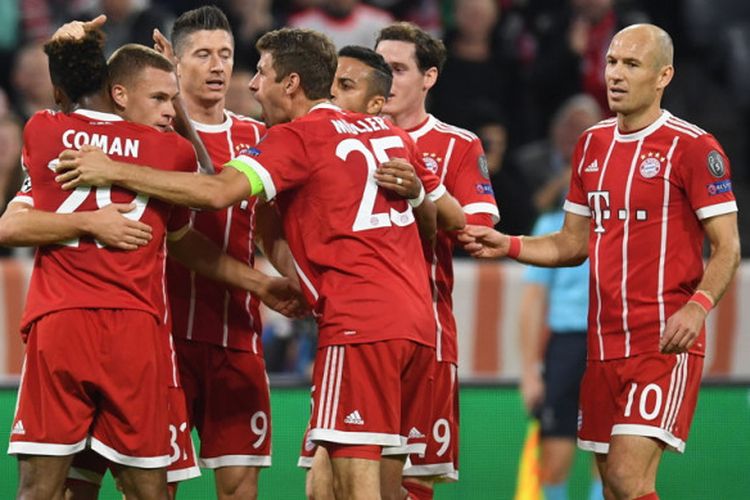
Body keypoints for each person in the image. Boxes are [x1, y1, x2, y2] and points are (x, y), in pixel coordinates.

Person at [55, 27, 440, 500]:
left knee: (354, 485)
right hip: (420, 324)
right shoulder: (390, 133)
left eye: (260, 72)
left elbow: (217, 193)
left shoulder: (295, 138)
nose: (253, 84)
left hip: (358, 324)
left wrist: (111, 169)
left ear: (291, 83)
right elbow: (433, 224)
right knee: (356, 483)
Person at [4, 20, 302, 500]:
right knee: (146, 486)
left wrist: (65, 51)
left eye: (225, 53)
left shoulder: (45, 130)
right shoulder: (172, 152)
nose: (170, 110)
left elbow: (14, 220)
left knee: (41, 487)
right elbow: (204, 202)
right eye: (161, 99)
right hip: (141, 334)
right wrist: (94, 222)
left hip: (63, 325)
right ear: (120, 93)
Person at [460, 24, 740, 500]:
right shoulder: (591, 145)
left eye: (631, 64)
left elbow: (728, 246)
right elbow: (572, 244)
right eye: (612, 62)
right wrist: (506, 244)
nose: (616, 74)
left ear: (663, 76)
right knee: (612, 486)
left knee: (631, 481)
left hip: (662, 344)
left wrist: (697, 307)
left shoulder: (692, 147)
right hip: (602, 346)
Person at [374, 22, 500, 500]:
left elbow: (474, 228)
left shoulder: (458, 145)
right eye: (378, 66)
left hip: (426, 331)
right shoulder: (344, 136)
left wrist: (423, 190)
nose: (384, 79)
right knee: (330, 480)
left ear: (429, 77)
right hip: (350, 329)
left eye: (397, 69)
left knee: (411, 482)